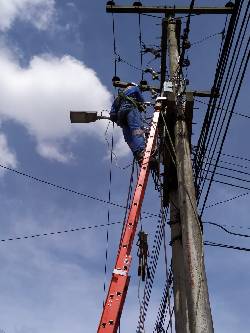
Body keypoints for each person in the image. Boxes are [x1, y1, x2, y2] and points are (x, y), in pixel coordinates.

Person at [110, 84, 148, 164]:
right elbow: (141, 101)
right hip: (131, 109)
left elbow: (112, 113)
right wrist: (142, 106)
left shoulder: (119, 96)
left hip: (121, 115)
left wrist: (116, 119)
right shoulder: (135, 88)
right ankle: (141, 150)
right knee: (137, 130)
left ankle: (137, 153)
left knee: (128, 136)